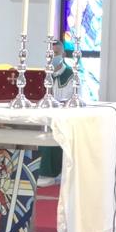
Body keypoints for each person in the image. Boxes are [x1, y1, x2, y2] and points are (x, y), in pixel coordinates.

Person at [37, 42, 75, 186]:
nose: (53, 57)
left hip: (64, 118)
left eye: (56, 54)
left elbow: (72, 100)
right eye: (50, 54)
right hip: (45, 117)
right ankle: (40, 171)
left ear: (63, 55)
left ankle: (51, 173)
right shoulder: (44, 75)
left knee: (53, 134)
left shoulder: (71, 75)